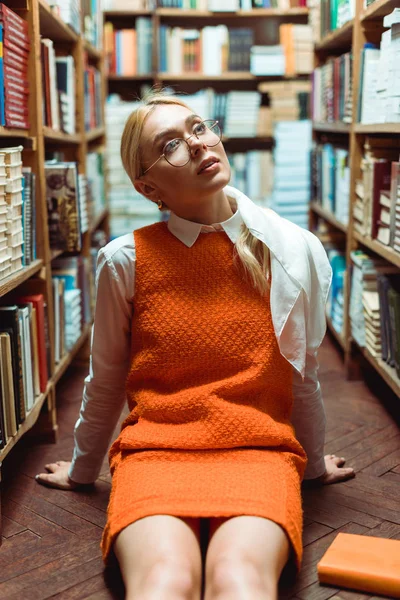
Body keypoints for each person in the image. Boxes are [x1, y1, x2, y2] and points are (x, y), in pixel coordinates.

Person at [36, 91, 355, 600]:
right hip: (156, 453)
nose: (198, 144)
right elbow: (107, 377)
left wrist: (313, 465)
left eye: (199, 128)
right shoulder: (125, 260)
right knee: (164, 582)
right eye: (171, 146)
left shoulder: (288, 249)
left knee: (240, 580)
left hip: (259, 452)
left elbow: (302, 372)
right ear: (148, 187)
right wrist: (81, 470)